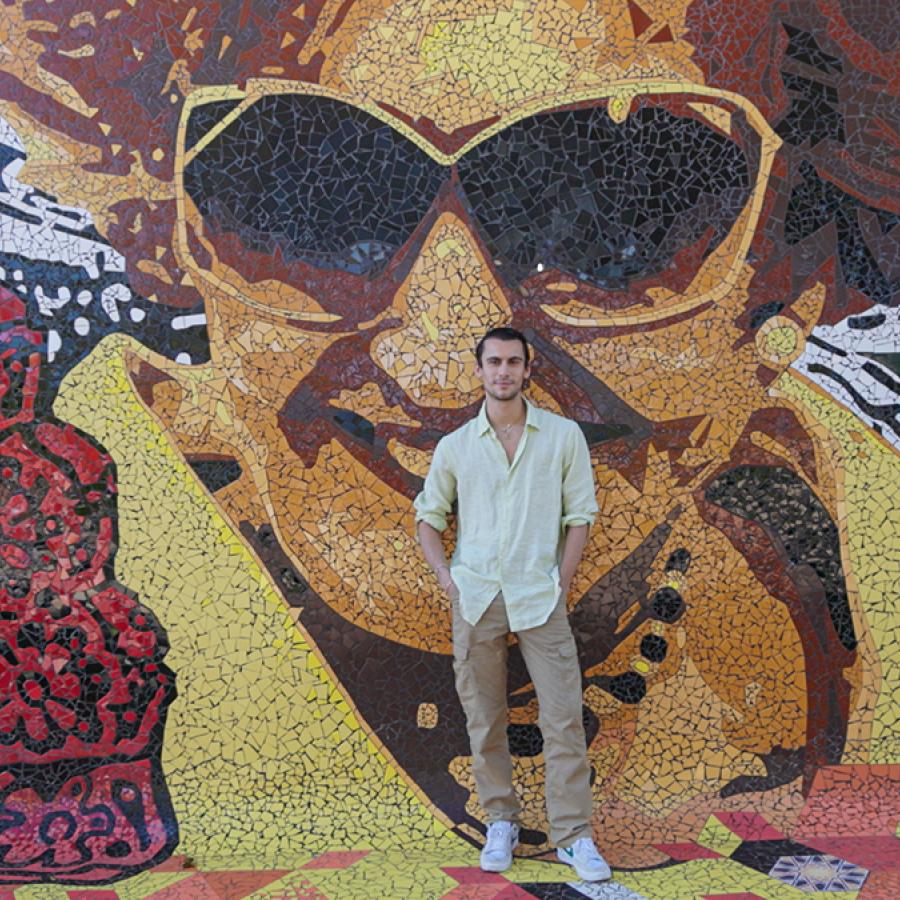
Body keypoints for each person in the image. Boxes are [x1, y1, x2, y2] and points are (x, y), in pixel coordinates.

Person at [414, 326, 610, 882]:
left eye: (513, 362)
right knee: (485, 717)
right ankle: (501, 820)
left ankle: (574, 836)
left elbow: (581, 515)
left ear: (528, 370)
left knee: (563, 717)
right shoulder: (455, 445)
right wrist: (447, 578)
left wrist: (562, 580)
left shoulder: (562, 435)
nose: (503, 371)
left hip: (539, 595)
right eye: (494, 362)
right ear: (479, 370)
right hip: (475, 598)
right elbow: (429, 517)